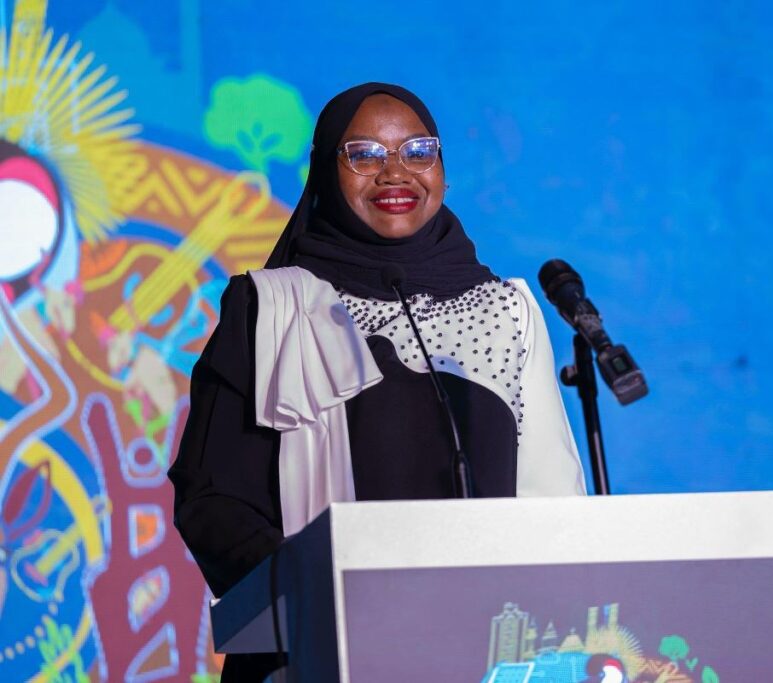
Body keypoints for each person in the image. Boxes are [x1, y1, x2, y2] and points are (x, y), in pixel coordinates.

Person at [168, 83, 586, 679]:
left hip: (485, 652)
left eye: (419, 151)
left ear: (443, 170)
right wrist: (322, 590)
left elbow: (551, 500)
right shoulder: (271, 309)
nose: (395, 172)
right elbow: (214, 498)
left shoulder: (508, 309)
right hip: (317, 650)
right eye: (363, 154)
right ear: (325, 172)